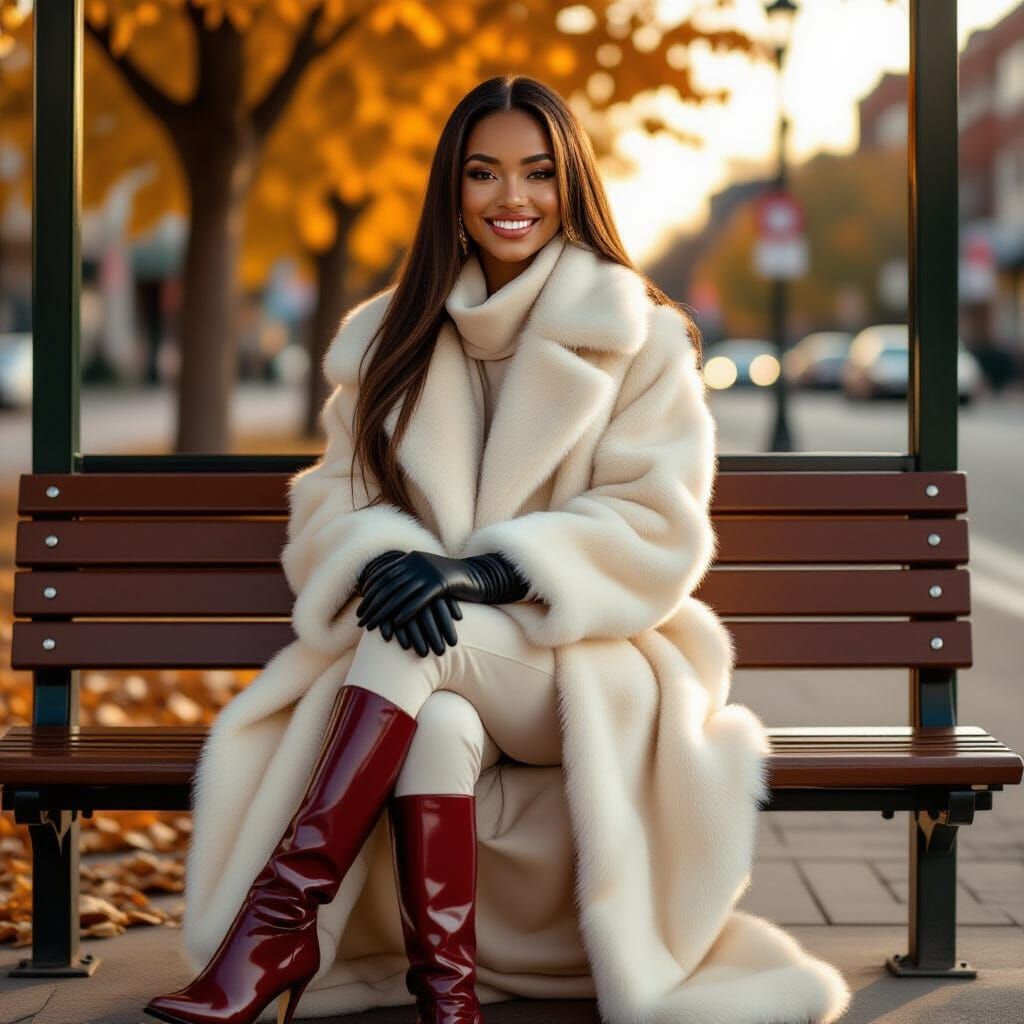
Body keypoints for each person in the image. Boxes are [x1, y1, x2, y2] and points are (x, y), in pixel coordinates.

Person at [145, 74, 851, 1024]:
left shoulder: (638, 335)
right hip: (434, 671)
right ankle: (450, 998)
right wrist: (382, 557)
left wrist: (476, 570)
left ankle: (274, 931)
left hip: (584, 667)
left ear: (573, 185)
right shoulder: (384, 336)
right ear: (452, 189)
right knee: (433, 712)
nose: (510, 199)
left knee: (409, 640)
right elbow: (330, 503)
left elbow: (660, 523)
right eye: (483, 174)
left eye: (537, 173)